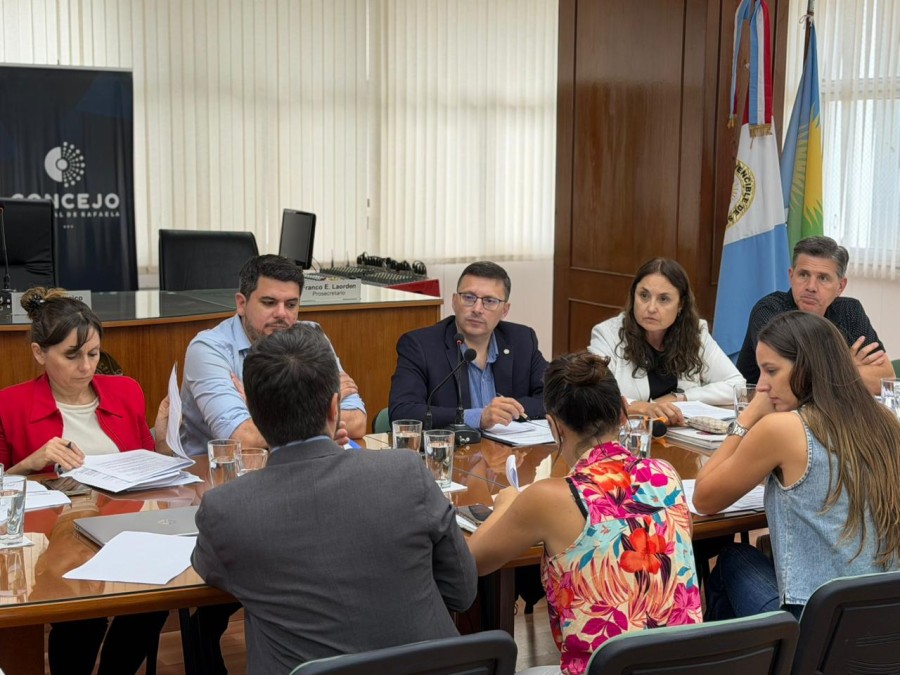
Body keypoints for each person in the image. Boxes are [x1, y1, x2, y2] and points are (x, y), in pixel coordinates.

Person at [192, 323, 477, 674]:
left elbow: (211, 573)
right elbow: (462, 592)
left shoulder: (226, 508)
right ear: (334, 408)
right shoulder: (405, 472)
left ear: (252, 408)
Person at [468, 351, 701, 675]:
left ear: (553, 426)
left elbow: (473, 562)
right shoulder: (665, 472)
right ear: (622, 413)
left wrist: (506, 502)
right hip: (685, 666)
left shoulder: (549, 497)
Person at [0, 287, 169, 675]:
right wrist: (30, 462)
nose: (86, 367)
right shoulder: (10, 405)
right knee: (80, 611)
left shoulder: (126, 391)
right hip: (60, 536)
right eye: (71, 356)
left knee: (152, 600)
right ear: (40, 353)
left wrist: (161, 442)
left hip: (127, 525)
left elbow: (148, 468)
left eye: (93, 354)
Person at [695, 311, 900, 621]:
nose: (762, 385)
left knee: (732, 559)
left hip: (815, 626)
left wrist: (747, 417)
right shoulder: (886, 421)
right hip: (884, 619)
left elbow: (704, 498)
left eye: (771, 371)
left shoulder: (783, 429)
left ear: (806, 367)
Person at [180, 254, 366, 455]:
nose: (281, 314)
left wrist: (255, 412)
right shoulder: (208, 349)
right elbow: (242, 437)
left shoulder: (312, 337)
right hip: (214, 475)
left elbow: (357, 421)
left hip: (294, 468)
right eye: (269, 302)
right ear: (241, 304)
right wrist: (320, 427)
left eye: (291, 304)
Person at [389, 261, 548, 429]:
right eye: (469, 298)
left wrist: (507, 411)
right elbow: (402, 411)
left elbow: (556, 396)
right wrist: (478, 417)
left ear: (505, 310)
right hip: (453, 451)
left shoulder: (522, 340)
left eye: (489, 301)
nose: (477, 309)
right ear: (454, 301)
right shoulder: (420, 346)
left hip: (510, 453)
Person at [588, 258, 743, 426]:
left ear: (681, 305)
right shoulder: (607, 334)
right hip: (629, 436)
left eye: (663, 299)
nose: (651, 308)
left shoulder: (696, 333)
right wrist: (645, 408)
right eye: (644, 296)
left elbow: (737, 385)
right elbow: (594, 394)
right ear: (634, 297)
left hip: (679, 437)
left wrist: (681, 398)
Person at [736, 236, 892, 394]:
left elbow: (885, 380)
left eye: (823, 278)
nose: (811, 287)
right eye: (803, 275)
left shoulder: (850, 311)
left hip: (828, 412)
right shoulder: (770, 310)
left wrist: (826, 373)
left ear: (840, 286)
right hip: (766, 410)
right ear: (791, 276)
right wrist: (848, 368)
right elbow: (790, 379)